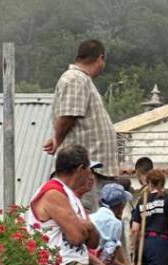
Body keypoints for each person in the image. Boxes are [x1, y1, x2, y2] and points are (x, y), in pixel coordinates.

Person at [44, 40, 118, 211]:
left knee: (99, 223)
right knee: (87, 219)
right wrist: (57, 139)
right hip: (84, 170)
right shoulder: (75, 78)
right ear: (100, 58)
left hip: (93, 169)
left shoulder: (81, 79)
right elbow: (68, 114)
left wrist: (57, 137)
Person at [131, 170, 168, 265]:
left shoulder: (142, 201)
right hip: (160, 245)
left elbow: (134, 229)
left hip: (144, 244)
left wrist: (133, 250)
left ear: (149, 183)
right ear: (163, 183)